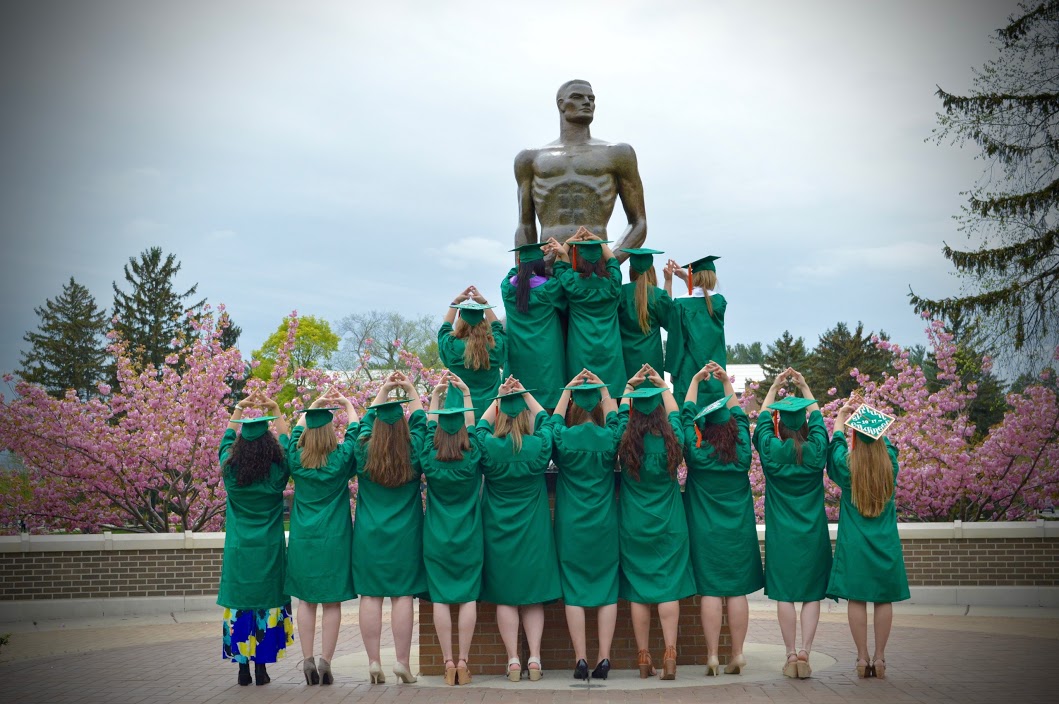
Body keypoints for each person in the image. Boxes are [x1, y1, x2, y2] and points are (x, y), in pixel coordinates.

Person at [681, 363, 763, 676]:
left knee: (712, 591)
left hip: (705, 530)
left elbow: (686, 417)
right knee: (737, 590)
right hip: (738, 528)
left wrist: (694, 380)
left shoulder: (698, 452)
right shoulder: (742, 449)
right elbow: (741, 417)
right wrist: (727, 384)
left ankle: (713, 656)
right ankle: (738, 653)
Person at [477, 379, 561, 682]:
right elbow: (548, 422)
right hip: (533, 530)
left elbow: (478, 430)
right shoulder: (537, 447)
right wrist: (525, 394)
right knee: (533, 596)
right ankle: (535, 659)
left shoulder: (488, 447)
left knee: (506, 597)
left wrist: (498, 399)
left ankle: (513, 660)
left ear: (500, 414)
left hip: (499, 531)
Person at [616, 364, 695, 680]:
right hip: (669, 523)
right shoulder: (672, 439)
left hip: (635, 524)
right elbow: (677, 414)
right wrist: (662, 385)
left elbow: (620, 416)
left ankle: (644, 657)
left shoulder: (626, 441)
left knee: (639, 591)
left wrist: (629, 388)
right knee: (667, 589)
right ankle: (671, 653)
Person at [753, 369, 831, 679]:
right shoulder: (816, 452)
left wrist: (773, 388)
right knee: (811, 594)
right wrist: (804, 386)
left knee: (785, 594)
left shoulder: (772, 451)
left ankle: (789, 655)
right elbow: (821, 423)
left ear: (780, 426)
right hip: (812, 533)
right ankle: (805, 653)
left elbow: (760, 424)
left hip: (782, 535)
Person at [513, 79, 647, 259]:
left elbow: (639, 222)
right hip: (548, 263)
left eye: (591, 98)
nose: (587, 102)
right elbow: (525, 225)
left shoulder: (617, 153)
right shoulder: (530, 158)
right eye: (577, 97)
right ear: (561, 104)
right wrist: (526, 273)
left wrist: (611, 262)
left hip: (596, 263)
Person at [353, 370, 429, 684]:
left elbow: (364, 422)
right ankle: (401, 662)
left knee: (370, 596)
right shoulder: (413, 449)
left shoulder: (363, 449)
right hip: (405, 533)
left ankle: (373, 662)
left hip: (370, 533)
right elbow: (423, 422)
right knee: (401, 597)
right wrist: (409, 389)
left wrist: (383, 391)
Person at [827, 402, 909, 679]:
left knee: (857, 598)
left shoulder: (848, 468)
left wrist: (841, 417)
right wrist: (876, 426)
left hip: (856, 544)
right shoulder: (891, 467)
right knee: (883, 599)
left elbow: (836, 447)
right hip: (885, 543)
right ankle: (881, 658)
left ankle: (862, 658)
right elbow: (890, 448)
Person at [548, 369, 621, 680]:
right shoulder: (609, 440)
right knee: (607, 589)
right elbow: (618, 422)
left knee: (575, 590)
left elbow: (550, 424)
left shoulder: (563, 439)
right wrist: (605, 391)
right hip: (603, 523)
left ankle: (580, 658)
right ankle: (604, 658)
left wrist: (567, 390)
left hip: (571, 525)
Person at [284, 390, 359, 686]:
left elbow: (296, 432)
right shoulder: (340, 459)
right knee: (332, 603)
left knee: (306, 601)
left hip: (305, 539)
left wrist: (312, 407)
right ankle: (327, 661)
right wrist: (348, 405)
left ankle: (307, 661)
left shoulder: (297, 460)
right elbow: (355, 431)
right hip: (335, 538)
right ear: (329, 433)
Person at [218, 391, 293, 687]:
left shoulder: (231, 472)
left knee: (241, 606)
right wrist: (275, 411)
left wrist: (238, 410)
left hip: (239, 550)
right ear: (268, 446)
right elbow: (287, 446)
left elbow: (224, 443)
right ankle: (262, 667)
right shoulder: (277, 472)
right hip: (269, 550)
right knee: (266, 605)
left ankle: (242, 669)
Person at [420, 373, 483, 686]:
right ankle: (464, 662)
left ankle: (447, 664)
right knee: (468, 597)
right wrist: (467, 396)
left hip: (436, 536)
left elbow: (429, 428)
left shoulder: (430, 458)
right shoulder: (472, 456)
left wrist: (435, 398)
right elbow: (472, 429)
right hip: (469, 535)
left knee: (442, 599)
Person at [545, 229, 626, 398]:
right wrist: (600, 242)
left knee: (582, 394)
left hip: (580, 347)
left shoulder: (572, 282)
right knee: (610, 394)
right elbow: (613, 263)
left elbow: (559, 269)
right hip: (610, 347)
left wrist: (567, 244)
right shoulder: (613, 284)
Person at [501, 242, 567, 409]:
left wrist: (526, 262)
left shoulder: (507, 289)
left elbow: (511, 274)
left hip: (518, 353)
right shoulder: (549, 288)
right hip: (546, 355)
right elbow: (565, 285)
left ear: (519, 264)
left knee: (518, 400)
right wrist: (561, 258)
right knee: (548, 402)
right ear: (540, 265)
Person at [663, 255, 727, 404]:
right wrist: (688, 278)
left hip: (689, 371)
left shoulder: (681, 304)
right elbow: (701, 299)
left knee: (689, 416)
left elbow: (676, 340)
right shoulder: (719, 303)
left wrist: (674, 370)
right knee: (715, 415)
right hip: (715, 370)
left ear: (695, 278)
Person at [438, 286, 506, 419]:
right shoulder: (494, 346)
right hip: (490, 414)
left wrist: (455, 303)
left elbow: (444, 330)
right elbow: (498, 328)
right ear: (483, 322)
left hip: (458, 413)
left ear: (460, 322)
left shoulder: (452, 347)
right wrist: (485, 304)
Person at [617, 247, 673, 380]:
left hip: (625, 358)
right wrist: (668, 281)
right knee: (653, 396)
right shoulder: (658, 296)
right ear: (652, 270)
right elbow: (670, 320)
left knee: (628, 396)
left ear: (631, 270)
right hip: (651, 360)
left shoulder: (620, 293)